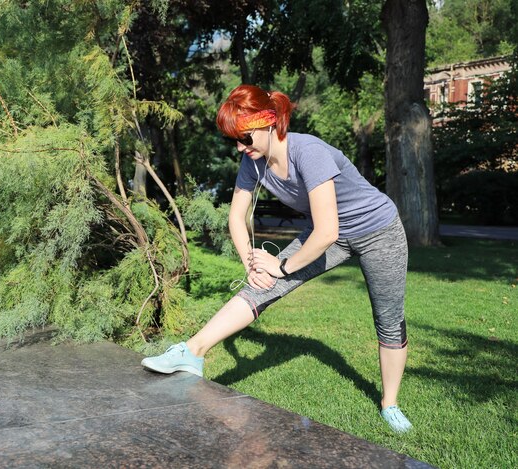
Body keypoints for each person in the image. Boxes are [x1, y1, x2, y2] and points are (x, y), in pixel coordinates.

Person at [141, 84, 412, 433]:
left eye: (245, 138)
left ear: (268, 122)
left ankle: (389, 404)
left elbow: (327, 232)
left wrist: (281, 266)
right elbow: (236, 218)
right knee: (261, 287)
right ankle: (192, 353)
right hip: (328, 232)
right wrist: (252, 268)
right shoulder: (253, 162)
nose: (240, 147)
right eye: (234, 140)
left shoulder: (308, 152)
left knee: (388, 320)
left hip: (378, 231)